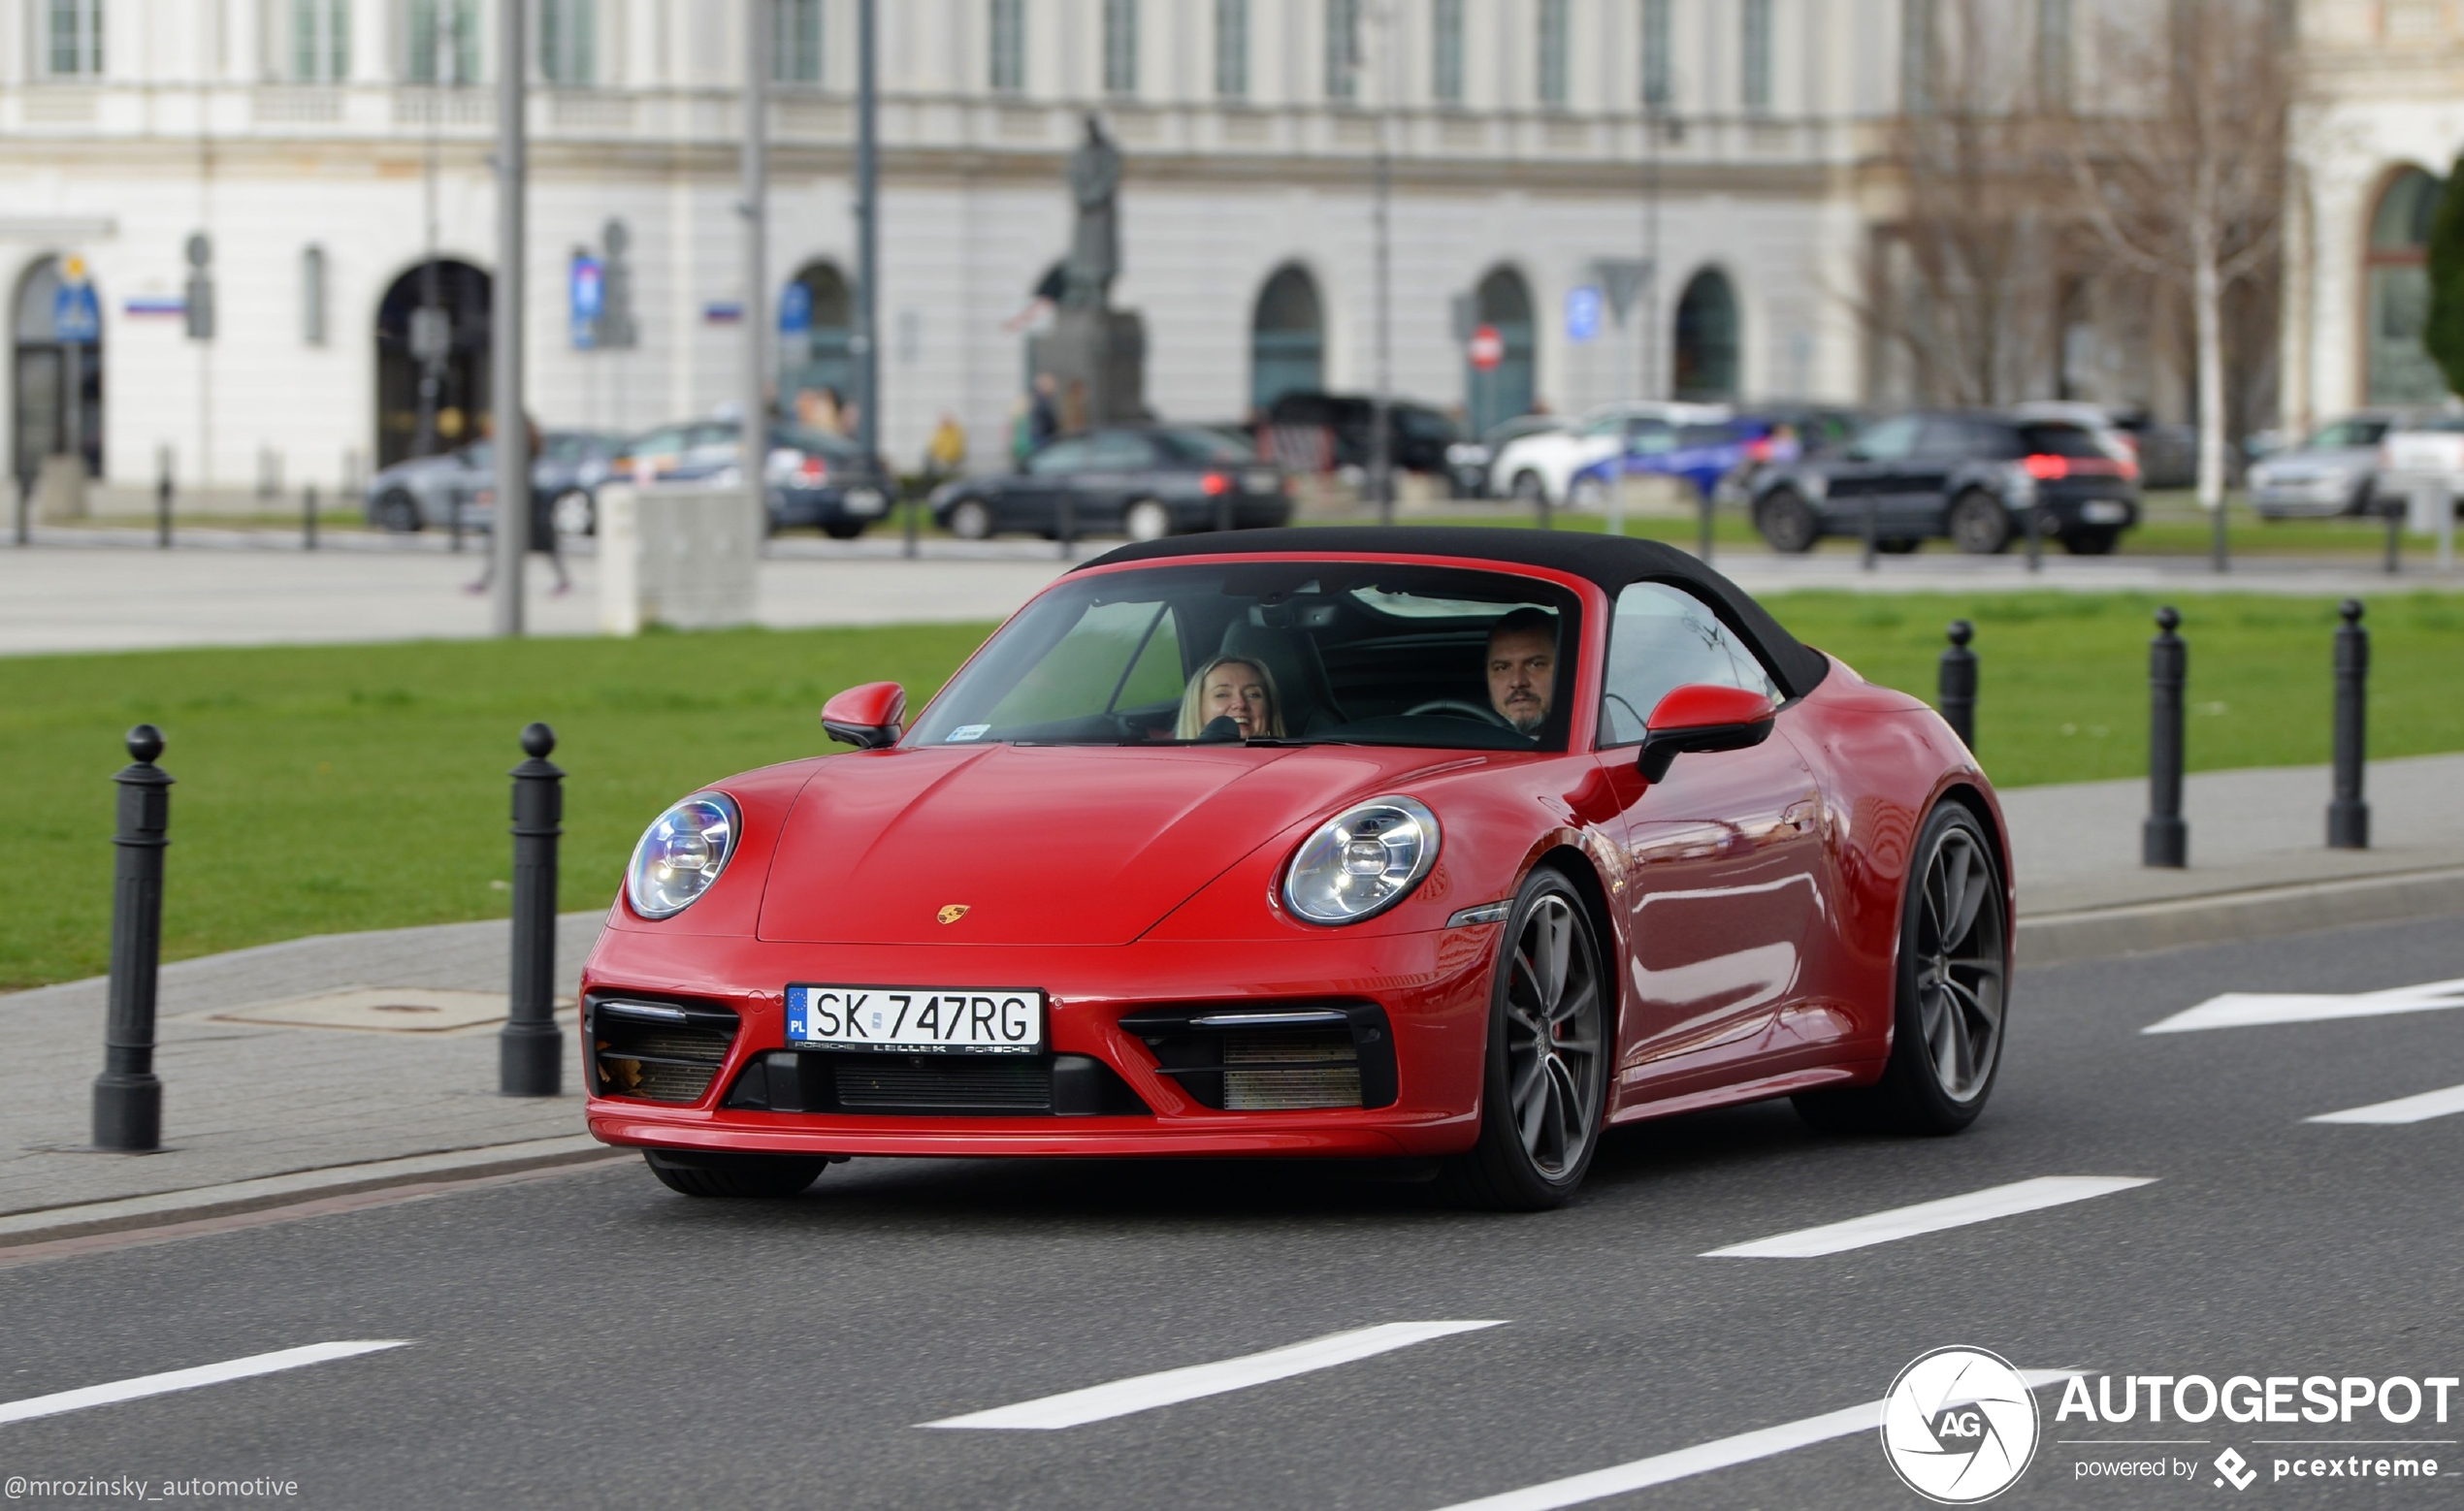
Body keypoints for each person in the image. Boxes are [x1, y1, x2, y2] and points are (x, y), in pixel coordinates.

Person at [465, 413, 568, 596]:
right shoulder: (529, 445)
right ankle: (485, 581)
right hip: (525, 498)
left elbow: (512, 477)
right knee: (521, 542)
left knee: (512, 541)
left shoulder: (519, 447)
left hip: (522, 500)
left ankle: (485, 582)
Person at [1485, 607, 1557, 736]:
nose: (1517, 681)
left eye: (1536, 665)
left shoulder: (1595, 735)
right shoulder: (1465, 742)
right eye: (1502, 668)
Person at [1176, 657, 1284, 740]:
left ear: (1269, 708)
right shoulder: (1176, 768)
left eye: (1253, 695)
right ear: (1197, 709)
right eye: (1222, 695)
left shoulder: (1291, 767)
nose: (1240, 703)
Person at [925, 411, 968, 480]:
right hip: (941, 459)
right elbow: (934, 445)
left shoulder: (955, 432)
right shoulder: (940, 432)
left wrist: (945, 457)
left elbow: (955, 448)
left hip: (952, 460)